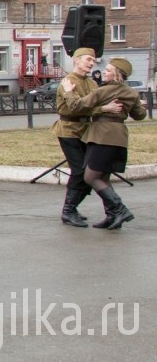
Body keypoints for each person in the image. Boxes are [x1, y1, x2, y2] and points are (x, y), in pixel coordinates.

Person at [59, 58, 146, 230]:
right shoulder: (131, 93)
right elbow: (140, 115)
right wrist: (140, 106)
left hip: (102, 136)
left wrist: (68, 91)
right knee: (103, 177)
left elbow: (77, 106)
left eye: (107, 70)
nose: (103, 72)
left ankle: (120, 209)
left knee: (90, 177)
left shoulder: (103, 91)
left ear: (116, 74)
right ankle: (112, 215)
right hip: (119, 137)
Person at [49, 47, 121, 228]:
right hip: (69, 131)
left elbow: (97, 102)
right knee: (80, 172)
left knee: (91, 172)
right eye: (88, 59)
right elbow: (76, 108)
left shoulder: (91, 84)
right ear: (77, 60)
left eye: (93, 60)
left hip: (88, 131)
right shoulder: (67, 81)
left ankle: (73, 209)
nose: (92, 63)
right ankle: (68, 211)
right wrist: (103, 109)